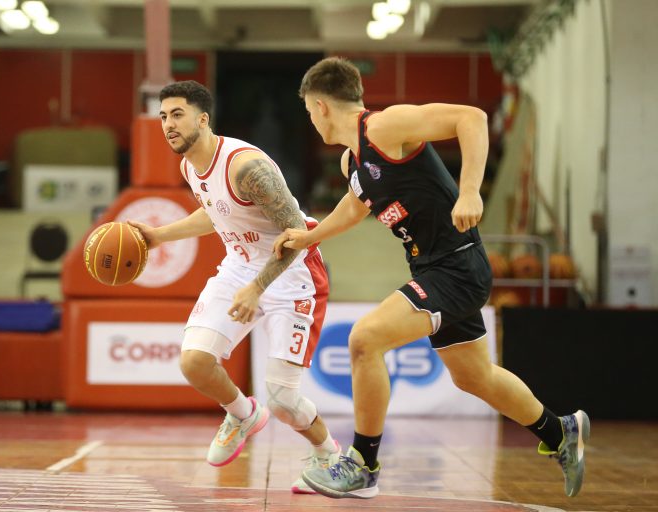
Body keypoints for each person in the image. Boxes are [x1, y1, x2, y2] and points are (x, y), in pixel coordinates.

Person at [273, 57, 589, 500]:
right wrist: (310, 237)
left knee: (365, 340)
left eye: (309, 111)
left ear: (321, 106)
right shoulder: (352, 161)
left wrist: (471, 190)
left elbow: (471, 118)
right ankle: (560, 431)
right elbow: (355, 206)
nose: (311, 120)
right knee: (474, 377)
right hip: (433, 269)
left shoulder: (384, 127)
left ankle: (363, 464)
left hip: (457, 266)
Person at [128, 80, 340, 494]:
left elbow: (297, 237)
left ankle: (328, 455)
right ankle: (243, 414)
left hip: (293, 274)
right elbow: (216, 213)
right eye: (163, 117)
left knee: (283, 400)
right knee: (194, 363)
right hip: (240, 268)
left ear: (202, 119)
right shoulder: (189, 165)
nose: (168, 125)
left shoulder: (247, 167)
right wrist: (158, 236)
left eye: (177, 115)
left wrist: (257, 288)